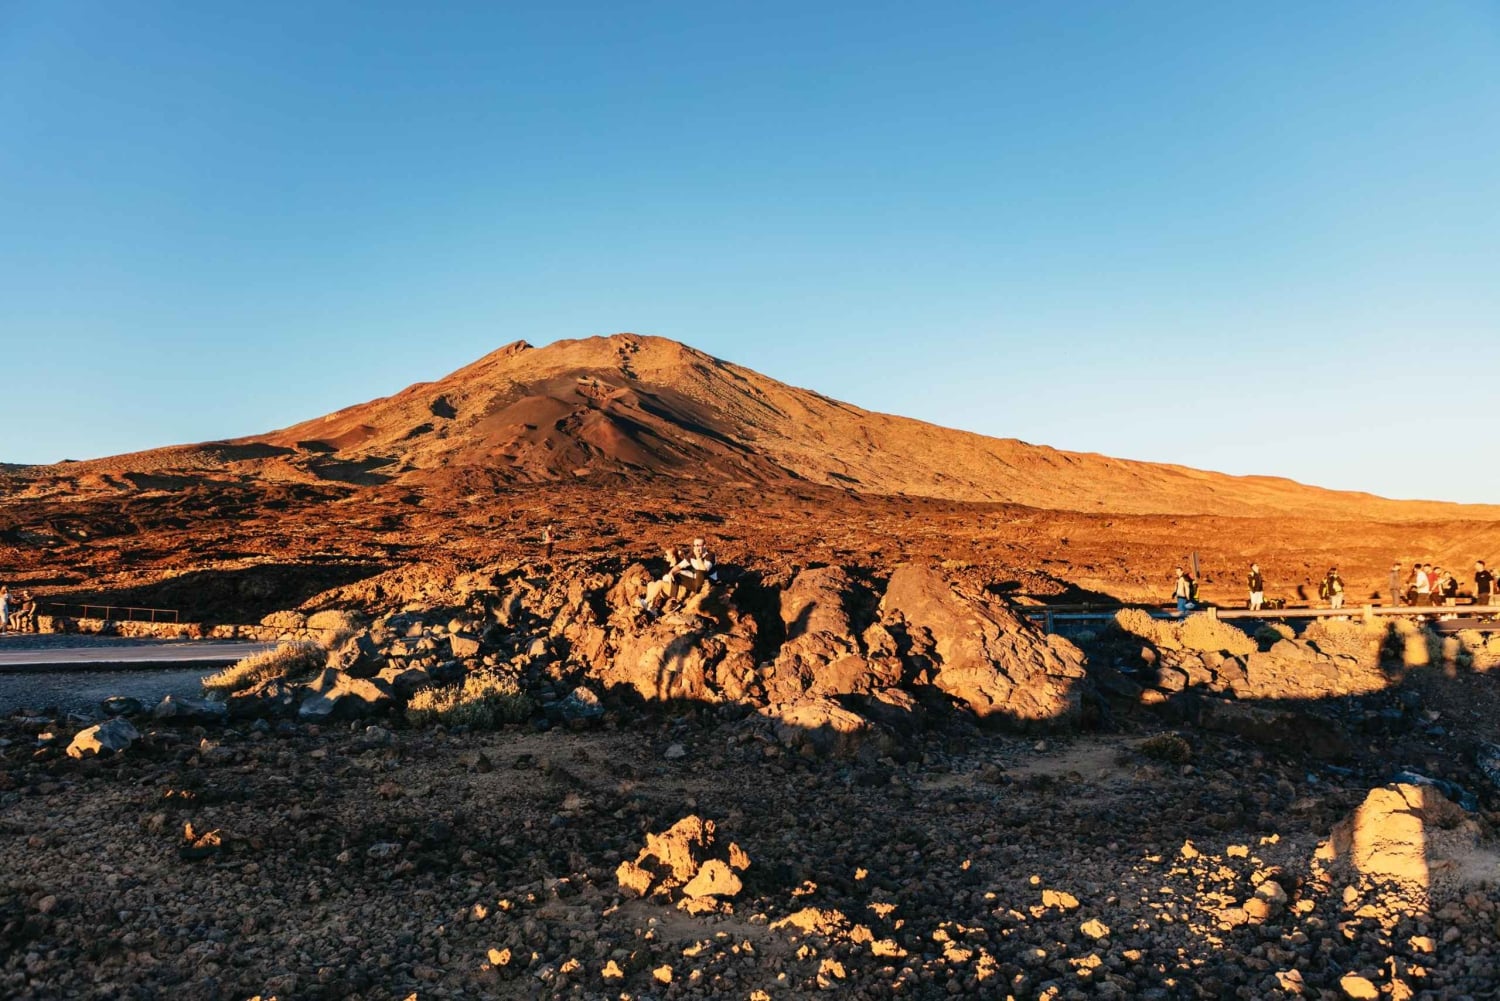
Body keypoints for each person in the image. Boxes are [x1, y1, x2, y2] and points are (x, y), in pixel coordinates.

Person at [638, 547, 685, 615]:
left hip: (675, 590)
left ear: (672, 556)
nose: (665, 556)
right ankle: (651, 607)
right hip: (666, 588)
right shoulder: (667, 565)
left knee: (660, 583)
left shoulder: (679, 565)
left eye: (667, 555)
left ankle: (646, 601)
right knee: (650, 584)